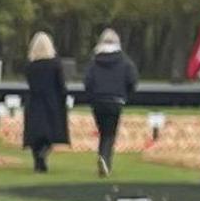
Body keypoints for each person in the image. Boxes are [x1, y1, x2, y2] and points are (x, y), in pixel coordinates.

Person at [81, 26, 139, 178]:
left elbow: (87, 81)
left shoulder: (94, 61)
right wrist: (127, 95)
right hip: (116, 100)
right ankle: (105, 159)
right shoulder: (125, 61)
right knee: (110, 134)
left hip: (98, 101)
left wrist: (91, 96)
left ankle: (102, 158)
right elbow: (132, 80)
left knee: (103, 132)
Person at [21, 30, 69, 174]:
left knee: (35, 134)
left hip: (34, 101)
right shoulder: (55, 64)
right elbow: (61, 84)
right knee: (50, 133)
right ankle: (44, 154)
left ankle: (37, 162)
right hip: (51, 101)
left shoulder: (30, 66)